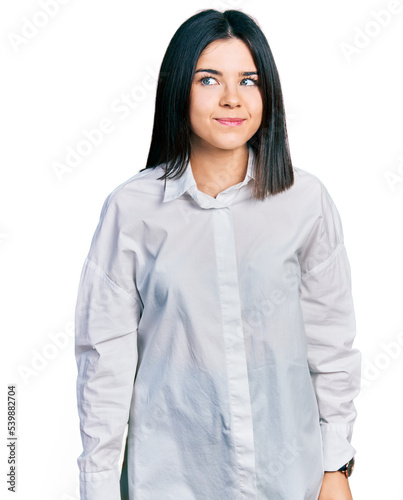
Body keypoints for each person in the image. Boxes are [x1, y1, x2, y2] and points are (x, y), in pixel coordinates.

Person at [74, 8, 361, 500]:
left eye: (249, 80)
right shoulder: (132, 210)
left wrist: (336, 468)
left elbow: (331, 342)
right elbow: (104, 364)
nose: (232, 98)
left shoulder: (306, 202)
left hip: (291, 480)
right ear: (178, 89)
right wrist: (97, 488)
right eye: (209, 79)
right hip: (173, 481)